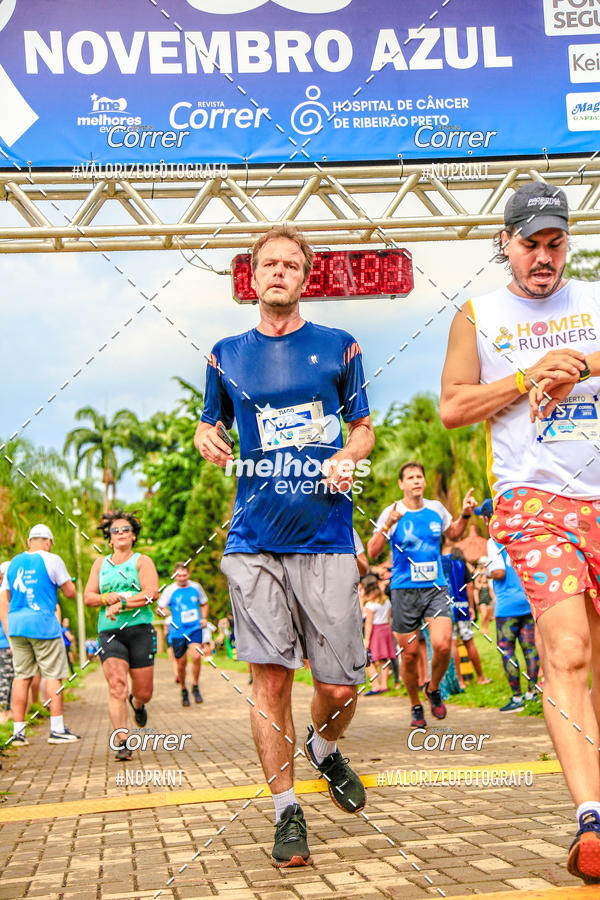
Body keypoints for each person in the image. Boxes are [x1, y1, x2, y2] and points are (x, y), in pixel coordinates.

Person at [195, 224, 374, 868]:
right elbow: (209, 421)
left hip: (326, 537)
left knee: (341, 683)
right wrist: (204, 435)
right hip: (254, 539)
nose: (278, 272)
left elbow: (363, 430)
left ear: (305, 276)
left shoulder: (339, 347)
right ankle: (286, 811)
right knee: (270, 678)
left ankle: (324, 749)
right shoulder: (224, 352)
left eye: (290, 264)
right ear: (252, 276)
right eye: (267, 264)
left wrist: (350, 458)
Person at [440, 180, 600, 883]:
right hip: (533, 503)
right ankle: (591, 820)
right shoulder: (478, 314)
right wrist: (526, 377)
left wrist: (580, 365)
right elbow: (452, 407)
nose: (543, 256)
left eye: (554, 242)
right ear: (504, 243)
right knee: (566, 650)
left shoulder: (592, 300)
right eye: (530, 244)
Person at [367, 462, 476, 728]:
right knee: (410, 654)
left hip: (435, 587)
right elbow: (372, 552)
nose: (416, 481)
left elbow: (453, 534)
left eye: (420, 476)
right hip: (404, 590)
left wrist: (464, 515)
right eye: (410, 477)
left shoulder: (436, 509)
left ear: (424, 482)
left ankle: (433, 688)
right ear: (401, 484)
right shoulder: (391, 512)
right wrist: (387, 526)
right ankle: (415, 705)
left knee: (441, 645)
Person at [84, 510, 159, 762]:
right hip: (109, 631)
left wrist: (123, 603)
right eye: (115, 531)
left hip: (140, 630)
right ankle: (123, 741)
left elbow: (151, 594)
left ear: (134, 536)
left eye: (126, 529)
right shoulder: (100, 564)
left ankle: (137, 704)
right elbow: (89, 597)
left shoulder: (142, 561)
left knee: (144, 691)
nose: (121, 534)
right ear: (109, 540)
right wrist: (106, 599)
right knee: (117, 687)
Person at [0, 524, 79, 745]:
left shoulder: (14, 562)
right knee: (53, 674)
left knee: (21, 676)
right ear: (48, 542)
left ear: (29, 542)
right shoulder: (52, 560)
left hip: (16, 627)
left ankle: (18, 734)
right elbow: (70, 592)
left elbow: (7, 595)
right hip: (43, 624)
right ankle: (56, 729)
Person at [474, 499, 539, 710]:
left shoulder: (493, 541)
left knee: (507, 650)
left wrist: (487, 572)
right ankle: (532, 693)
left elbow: (500, 572)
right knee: (530, 649)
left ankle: (517, 698)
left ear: (486, 518)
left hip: (507, 606)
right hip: (527, 601)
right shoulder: (519, 534)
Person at [440, 535, 491, 690]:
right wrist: (470, 606)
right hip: (462, 606)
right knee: (469, 641)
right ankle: (481, 677)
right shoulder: (461, 564)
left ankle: (460, 681)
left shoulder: (441, 562)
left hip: (447, 607)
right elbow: (469, 586)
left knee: (453, 644)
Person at [158, 562, 208, 706]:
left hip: (194, 628)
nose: (181, 578)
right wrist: (164, 612)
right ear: (174, 576)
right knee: (181, 664)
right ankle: (184, 689)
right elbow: (159, 609)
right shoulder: (169, 590)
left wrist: (204, 618)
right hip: (177, 631)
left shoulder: (196, 587)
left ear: (189, 574)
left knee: (197, 656)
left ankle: (196, 686)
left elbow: (204, 603)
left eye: (184, 575)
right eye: (178, 575)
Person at [362, 574, 396, 695]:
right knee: (384, 659)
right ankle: (384, 685)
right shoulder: (387, 601)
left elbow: (369, 624)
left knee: (368, 660)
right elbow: (388, 618)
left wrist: (367, 640)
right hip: (386, 630)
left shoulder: (370, 605)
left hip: (375, 632)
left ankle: (376, 685)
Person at [0, 562, 14, 724]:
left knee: (11, 678)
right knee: (5, 679)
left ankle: (9, 713)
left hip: (7, 642)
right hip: (4, 643)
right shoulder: (3, 595)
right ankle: (3, 714)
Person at [473, 558, 494, 636]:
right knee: (484, 614)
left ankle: (487, 629)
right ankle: (483, 629)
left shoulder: (487, 570)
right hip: (482, 593)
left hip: (487, 592)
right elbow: (476, 584)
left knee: (488, 614)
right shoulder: (478, 572)